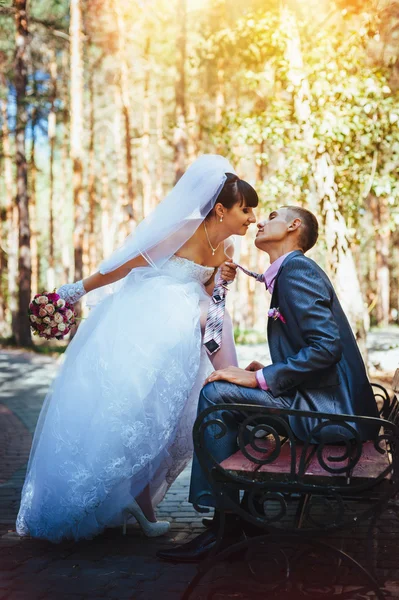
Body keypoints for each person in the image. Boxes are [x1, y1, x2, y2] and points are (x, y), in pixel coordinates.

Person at [16, 155, 258, 542]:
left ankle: (147, 496)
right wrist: (78, 289)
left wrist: (224, 282)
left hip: (191, 320)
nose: (252, 219)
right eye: (246, 210)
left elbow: (214, 301)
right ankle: (124, 499)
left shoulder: (228, 250)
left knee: (161, 413)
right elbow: (129, 262)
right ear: (220, 209)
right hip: (152, 315)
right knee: (133, 409)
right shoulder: (185, 229)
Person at [157, 205, 379, 563]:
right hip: (326, 404)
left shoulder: (297, 270)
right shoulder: (289, 272)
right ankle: (241, 517)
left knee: (216, 394)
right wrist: (272, 369)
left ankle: (225, 525)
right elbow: (315, 348)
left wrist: (260, 378)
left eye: (272, 216)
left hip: (330, 414)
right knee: (230, 400)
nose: (260, 221)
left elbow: (326, 348)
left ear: (293, 226)